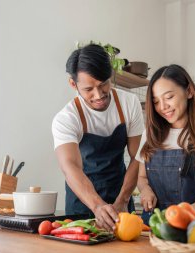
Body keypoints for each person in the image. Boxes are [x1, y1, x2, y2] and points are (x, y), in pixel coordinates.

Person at [52, 44, 144, 231]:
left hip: (121, 196)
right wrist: (97, 206)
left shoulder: (129, 103)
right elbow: (70, 167)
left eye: (103, 84)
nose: (99, 95)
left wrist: (123, 199)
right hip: (82, 202)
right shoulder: (66, 118)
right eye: (89, 89)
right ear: (73, 84)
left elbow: (138, 156)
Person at [136, 64, 195, 224]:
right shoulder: (150, 134)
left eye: (169, 97)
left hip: (191, 224)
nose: (163, 107)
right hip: (152, 224)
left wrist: (181, 214)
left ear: (189, 91)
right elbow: (141, 177)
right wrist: (145, 190)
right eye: (156, 101)